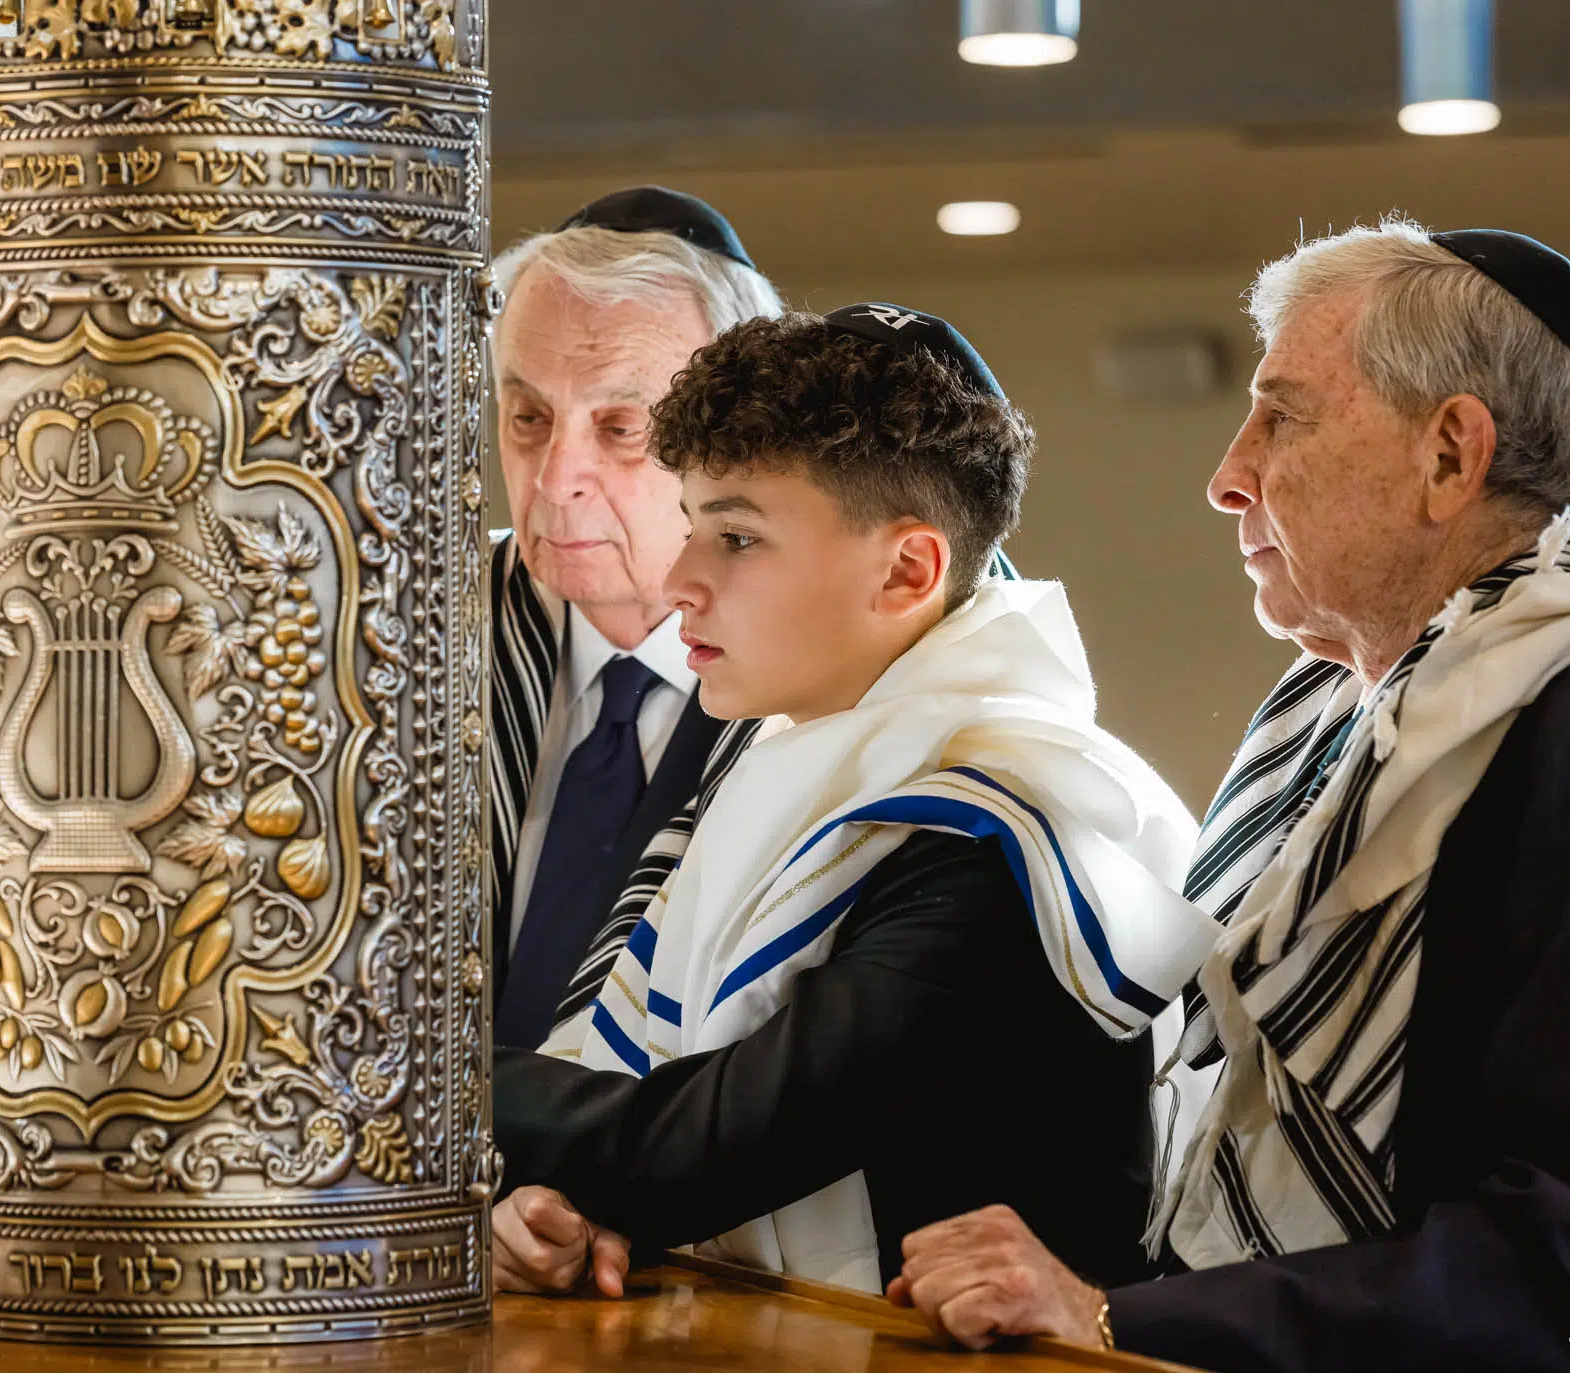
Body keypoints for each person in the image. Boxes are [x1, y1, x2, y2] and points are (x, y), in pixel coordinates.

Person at [890, 220, 1570, 1373]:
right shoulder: (1335, 711)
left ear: (1452, 455)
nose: (1228, 474)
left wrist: (1128, 1319)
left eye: (1284, 414)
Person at [490, 304, 1217, 1297]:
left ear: (907, 569)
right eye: (693, 525)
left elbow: (692, 1150)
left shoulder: (997, 828)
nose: (680, 581)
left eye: (737, 536)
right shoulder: (804, 765)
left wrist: (424, 1081)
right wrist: (555, 1206)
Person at [487, 186, 785, 1050]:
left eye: (621, 427)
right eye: (528, 418)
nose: (552, 480)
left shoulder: (831, 677)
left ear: (739, 437)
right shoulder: (410, 632)